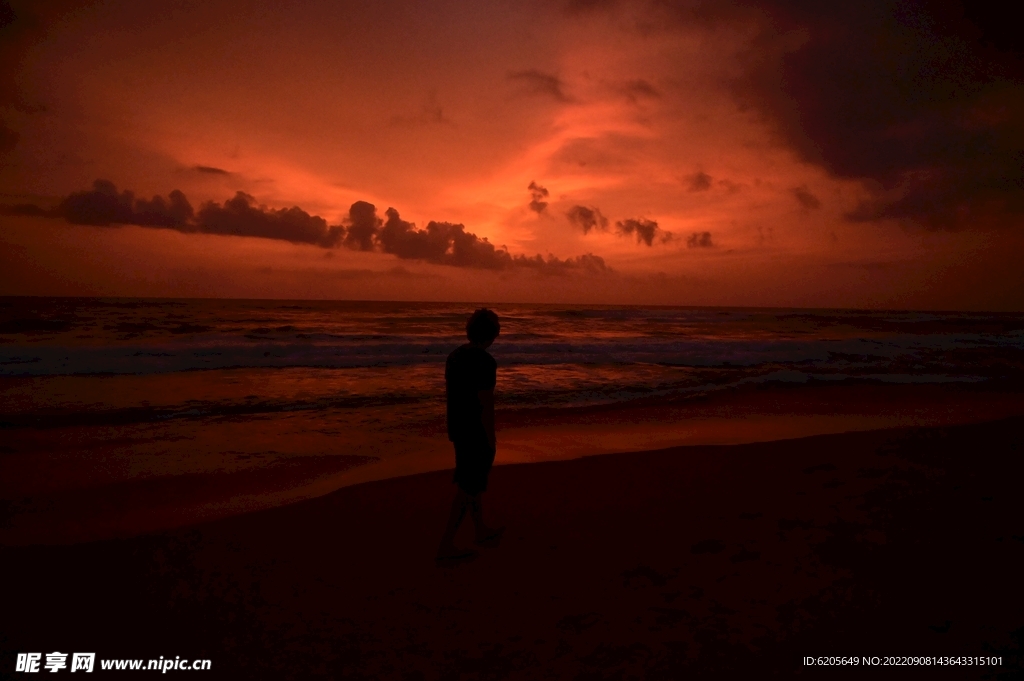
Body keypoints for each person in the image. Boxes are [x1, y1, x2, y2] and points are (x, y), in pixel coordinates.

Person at [437, 308, 505, 561]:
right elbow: (485, 403)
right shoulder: (486, 363)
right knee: (468, 487)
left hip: (457, 426)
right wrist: (491, 438)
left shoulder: (454, 356)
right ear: (493, 334)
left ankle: (480, 529)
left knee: (472, 482)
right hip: (475, 429)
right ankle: (446, 544)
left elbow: (452, 395)